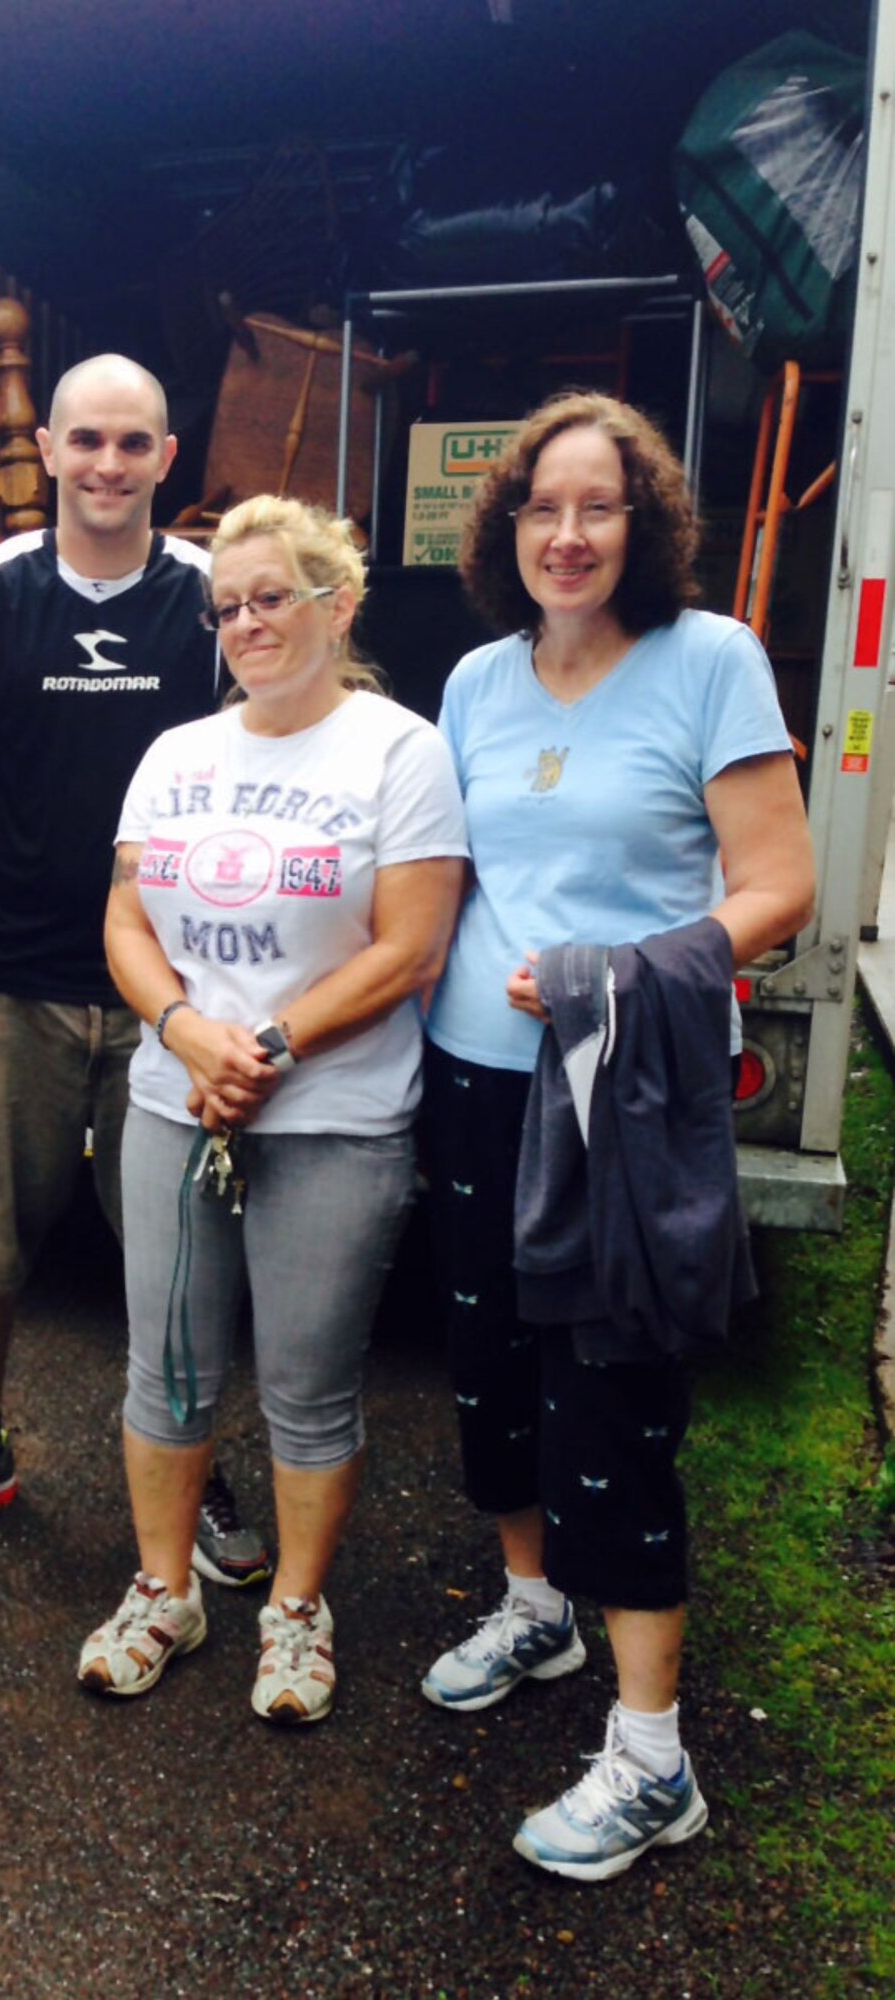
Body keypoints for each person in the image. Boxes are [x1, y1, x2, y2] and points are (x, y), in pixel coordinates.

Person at [420, 391, 816, 1875]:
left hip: (622, 1087)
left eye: (598, 507)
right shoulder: (471, 682)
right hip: (474, 1075)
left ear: (643, 524)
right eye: (540, 508)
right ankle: (535, 1613)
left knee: (614, 1396)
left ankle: (652, 1758)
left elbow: (774, 883)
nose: (567, 534)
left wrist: (616, 973)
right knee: (489, 1368)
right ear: (506, 529)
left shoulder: (705, 663)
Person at [0, 355, 269, 1586]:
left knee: (182, 1246)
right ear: (45, 449)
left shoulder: (214, 596)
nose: (108, 464)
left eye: (134, 443)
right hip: (18, 977)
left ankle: (195, 1464)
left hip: (176, 992)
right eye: (85, 439)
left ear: (168, 457)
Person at [78, 495, 467, 1723]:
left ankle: (297, 1607)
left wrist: (273, 1041)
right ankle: (163, 1589)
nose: (246, 621)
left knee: (307, 1384)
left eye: (272, 597)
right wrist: (185, 1030)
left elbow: (412, 946)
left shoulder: (400, 751)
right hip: (174, 1101)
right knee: (167, 1370)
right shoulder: (176, 754)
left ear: (335, 604)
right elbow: (127, 920)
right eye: (228, 605)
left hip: (332, 1117)